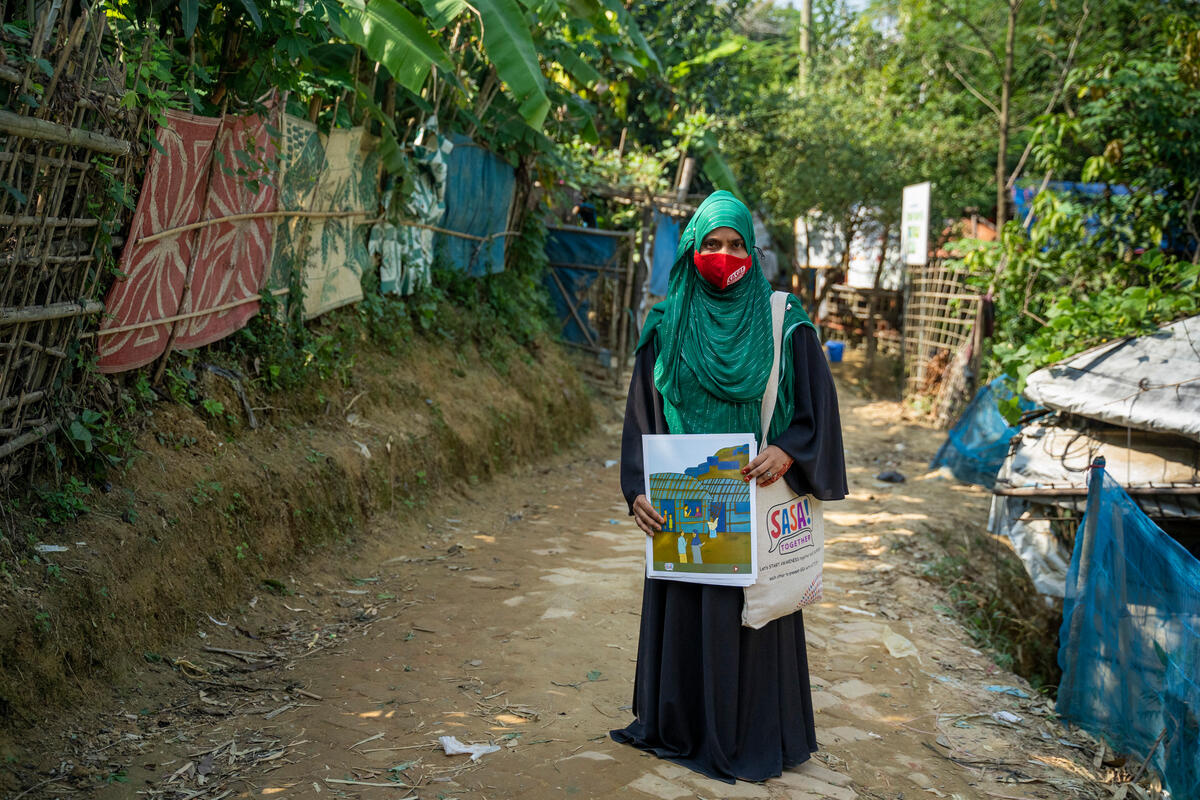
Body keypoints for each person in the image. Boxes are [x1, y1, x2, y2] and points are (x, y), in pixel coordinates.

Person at [612, 191, 847, 784]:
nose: (723, 255)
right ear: (693, 248)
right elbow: (642, 416)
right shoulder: (665, 324)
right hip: (685, 509)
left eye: (736, 244)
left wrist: (788, 450)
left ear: (753, 250)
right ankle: (681, 727)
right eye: (711, 244)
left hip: (751, 504)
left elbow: (817, 411)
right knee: (687, 610)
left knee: (750, 613)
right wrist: (637, 487)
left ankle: (747, 734)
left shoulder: (783, 321)